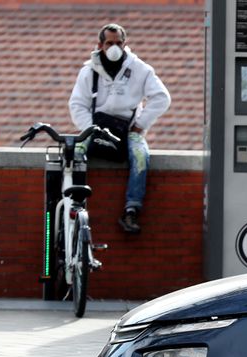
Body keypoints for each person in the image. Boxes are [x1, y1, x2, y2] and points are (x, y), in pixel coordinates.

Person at [69, 23, 171, 234]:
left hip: (127, 130)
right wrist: (90, 129)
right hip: (95, 127)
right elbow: (77, 104)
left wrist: (140, 125)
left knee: (140, 156)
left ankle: (131, 209)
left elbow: (162, 97)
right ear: (100, 45)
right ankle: (73, 202)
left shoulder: (140, 69)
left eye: (118, 43)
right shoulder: (89, 71)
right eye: (109, 43)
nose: (114, 47)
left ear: (125, 44)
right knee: (75, 152)